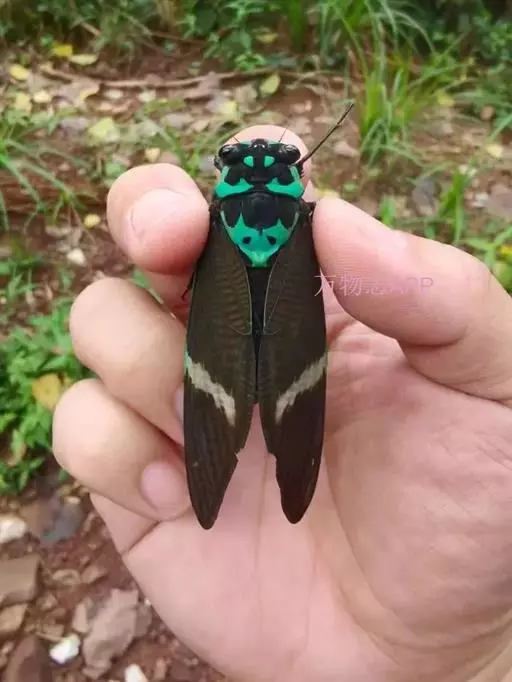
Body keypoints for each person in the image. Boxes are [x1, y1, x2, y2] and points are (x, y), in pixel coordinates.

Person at [52, 125, 512, 682]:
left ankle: (234, 438)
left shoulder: (218, 218)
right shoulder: (306, 219)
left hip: (228, 322)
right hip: (293, 336)